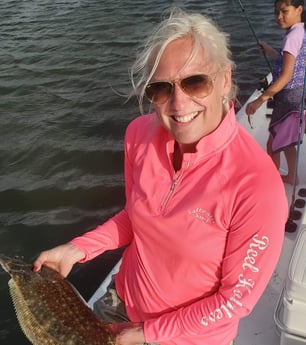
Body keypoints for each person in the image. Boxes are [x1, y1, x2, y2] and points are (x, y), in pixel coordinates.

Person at [33, 8, 288, 345]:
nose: (179, 103)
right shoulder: (138, 135)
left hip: (190, 337)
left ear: (224, 79)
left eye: (195, 82)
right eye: (161, 89)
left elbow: (234, 300)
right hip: (122, 303)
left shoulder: (258, 187)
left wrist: (145, 333)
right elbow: (135, 215)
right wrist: (78, 249)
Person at [246, 0, 306, 185]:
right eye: (276, 12)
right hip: (299, 96)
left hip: (288, 99)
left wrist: (260, 100)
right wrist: (272, 51)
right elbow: (292, 62)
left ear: (299, 9)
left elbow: (286, 76)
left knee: (273, 145)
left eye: (284, 11)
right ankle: (291, 176)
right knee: (286, 143)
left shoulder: (291, 37)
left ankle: (272, 185)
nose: (279, 16)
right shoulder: (300, 30)